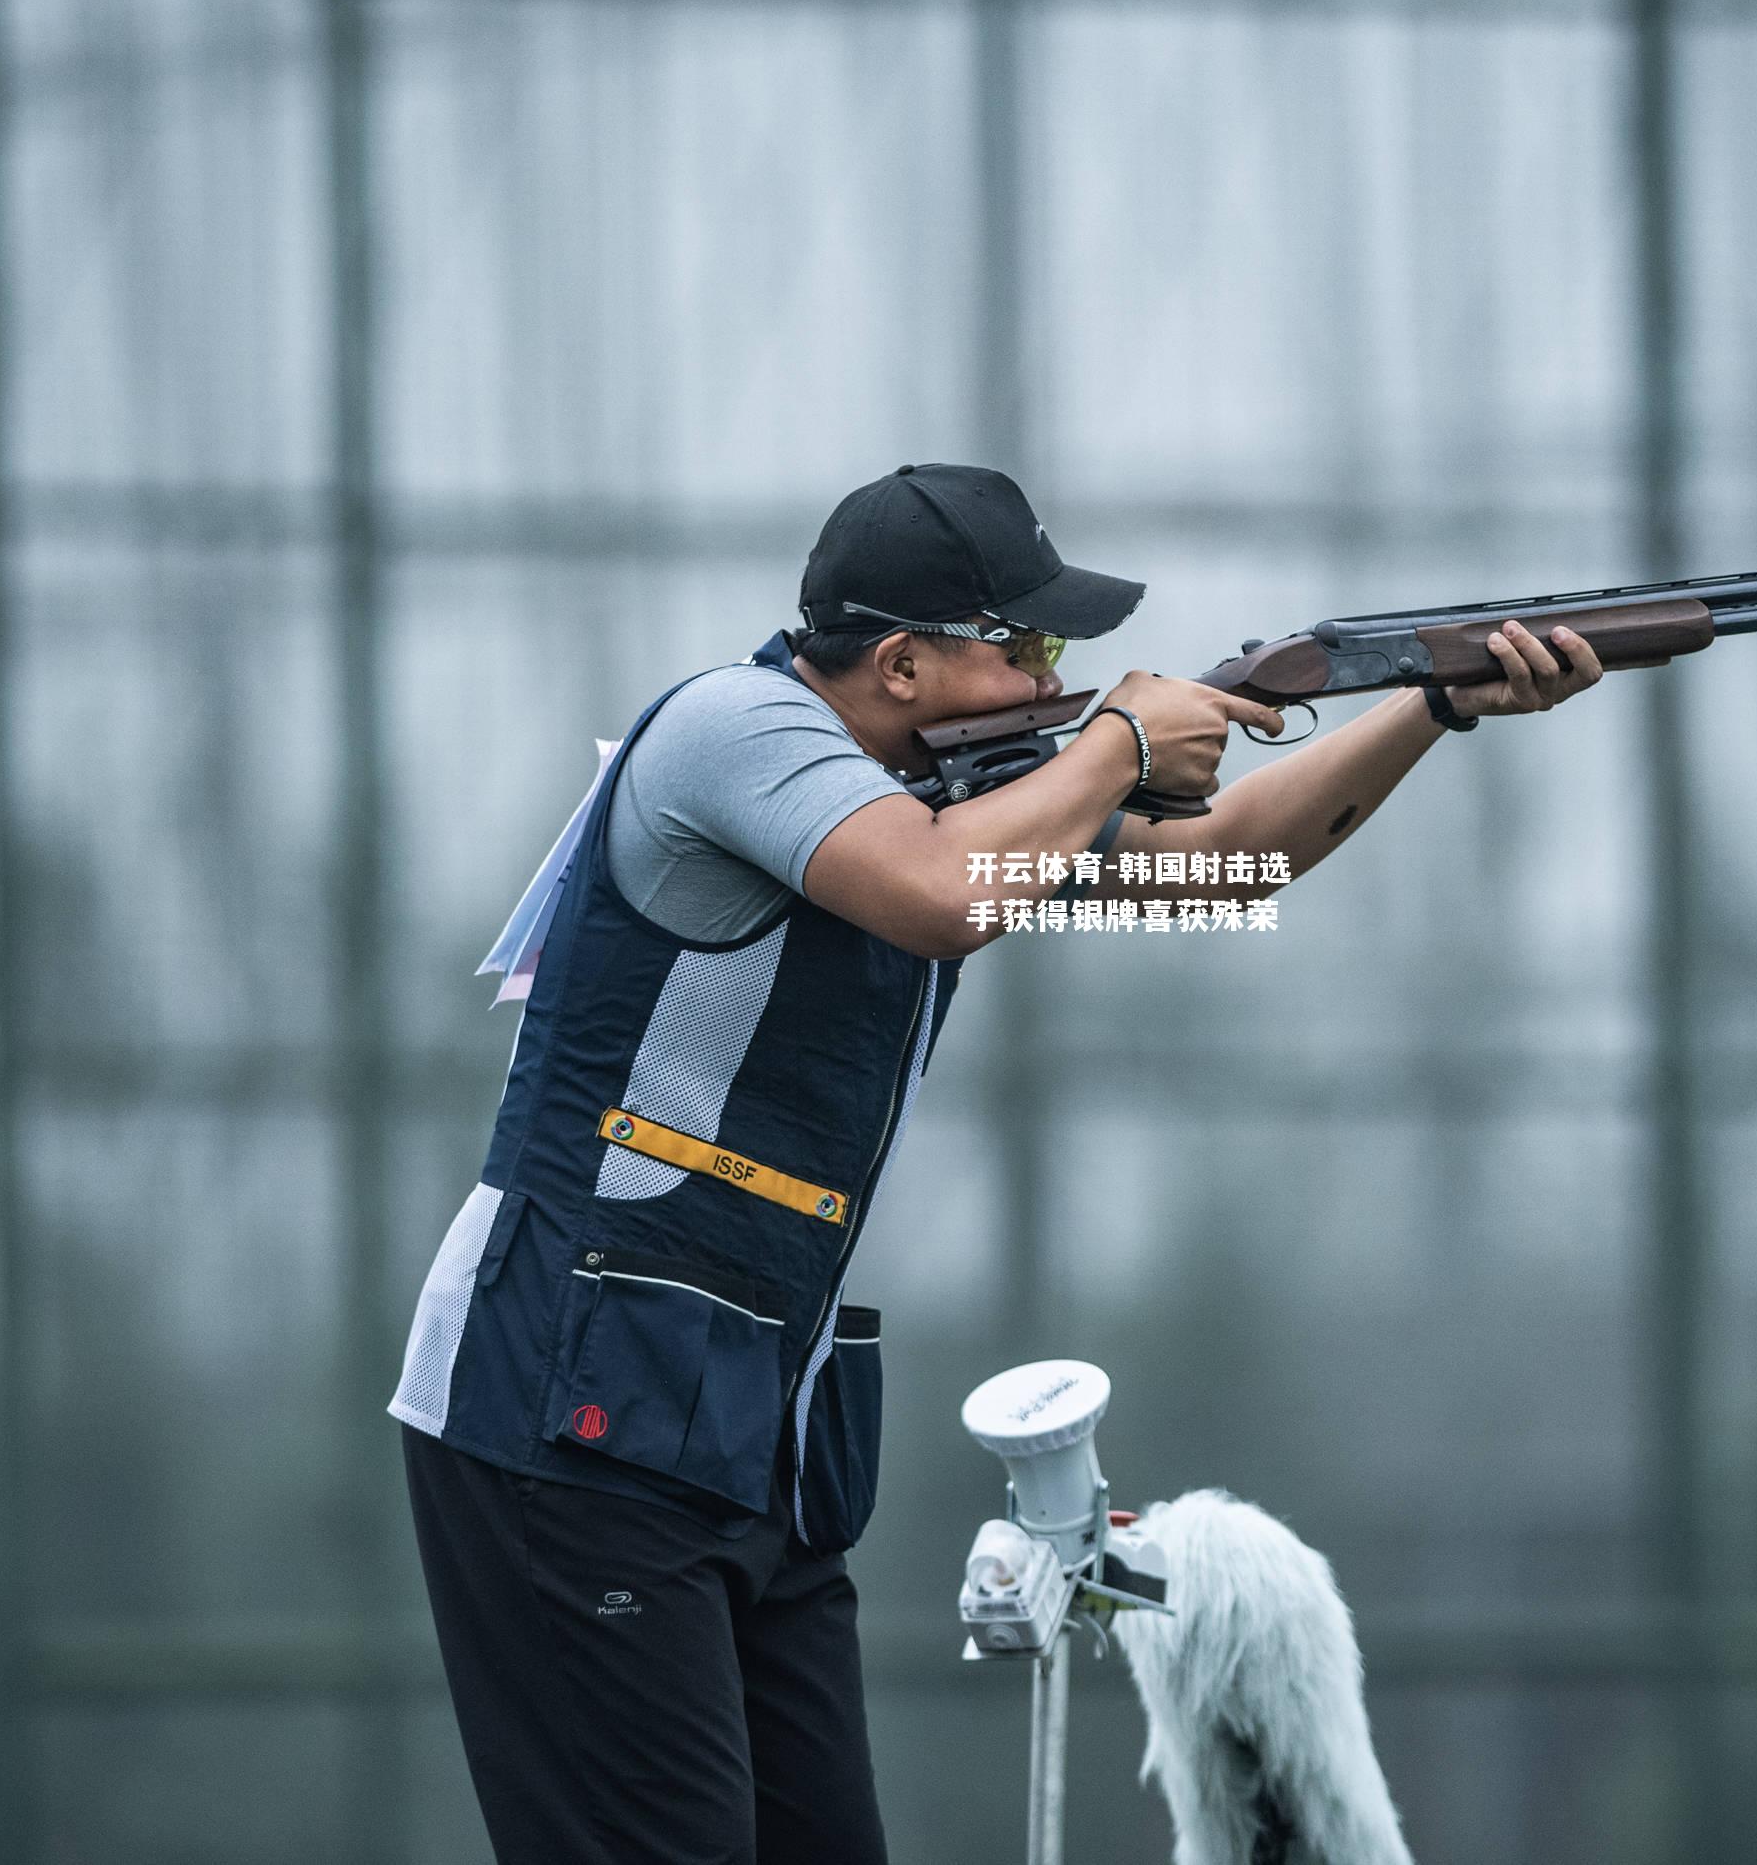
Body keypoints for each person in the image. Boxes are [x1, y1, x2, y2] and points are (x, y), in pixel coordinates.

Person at [387, 462, 1605, 1864]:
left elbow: (1237, 863)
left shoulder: (962, 800)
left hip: (746, 1441)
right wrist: (1120, 746)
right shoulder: (733, 728)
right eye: (1020, 645)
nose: (1053, 674)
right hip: (566, 1416)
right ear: (899, 662)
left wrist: (1433, 701)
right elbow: (937, 893)